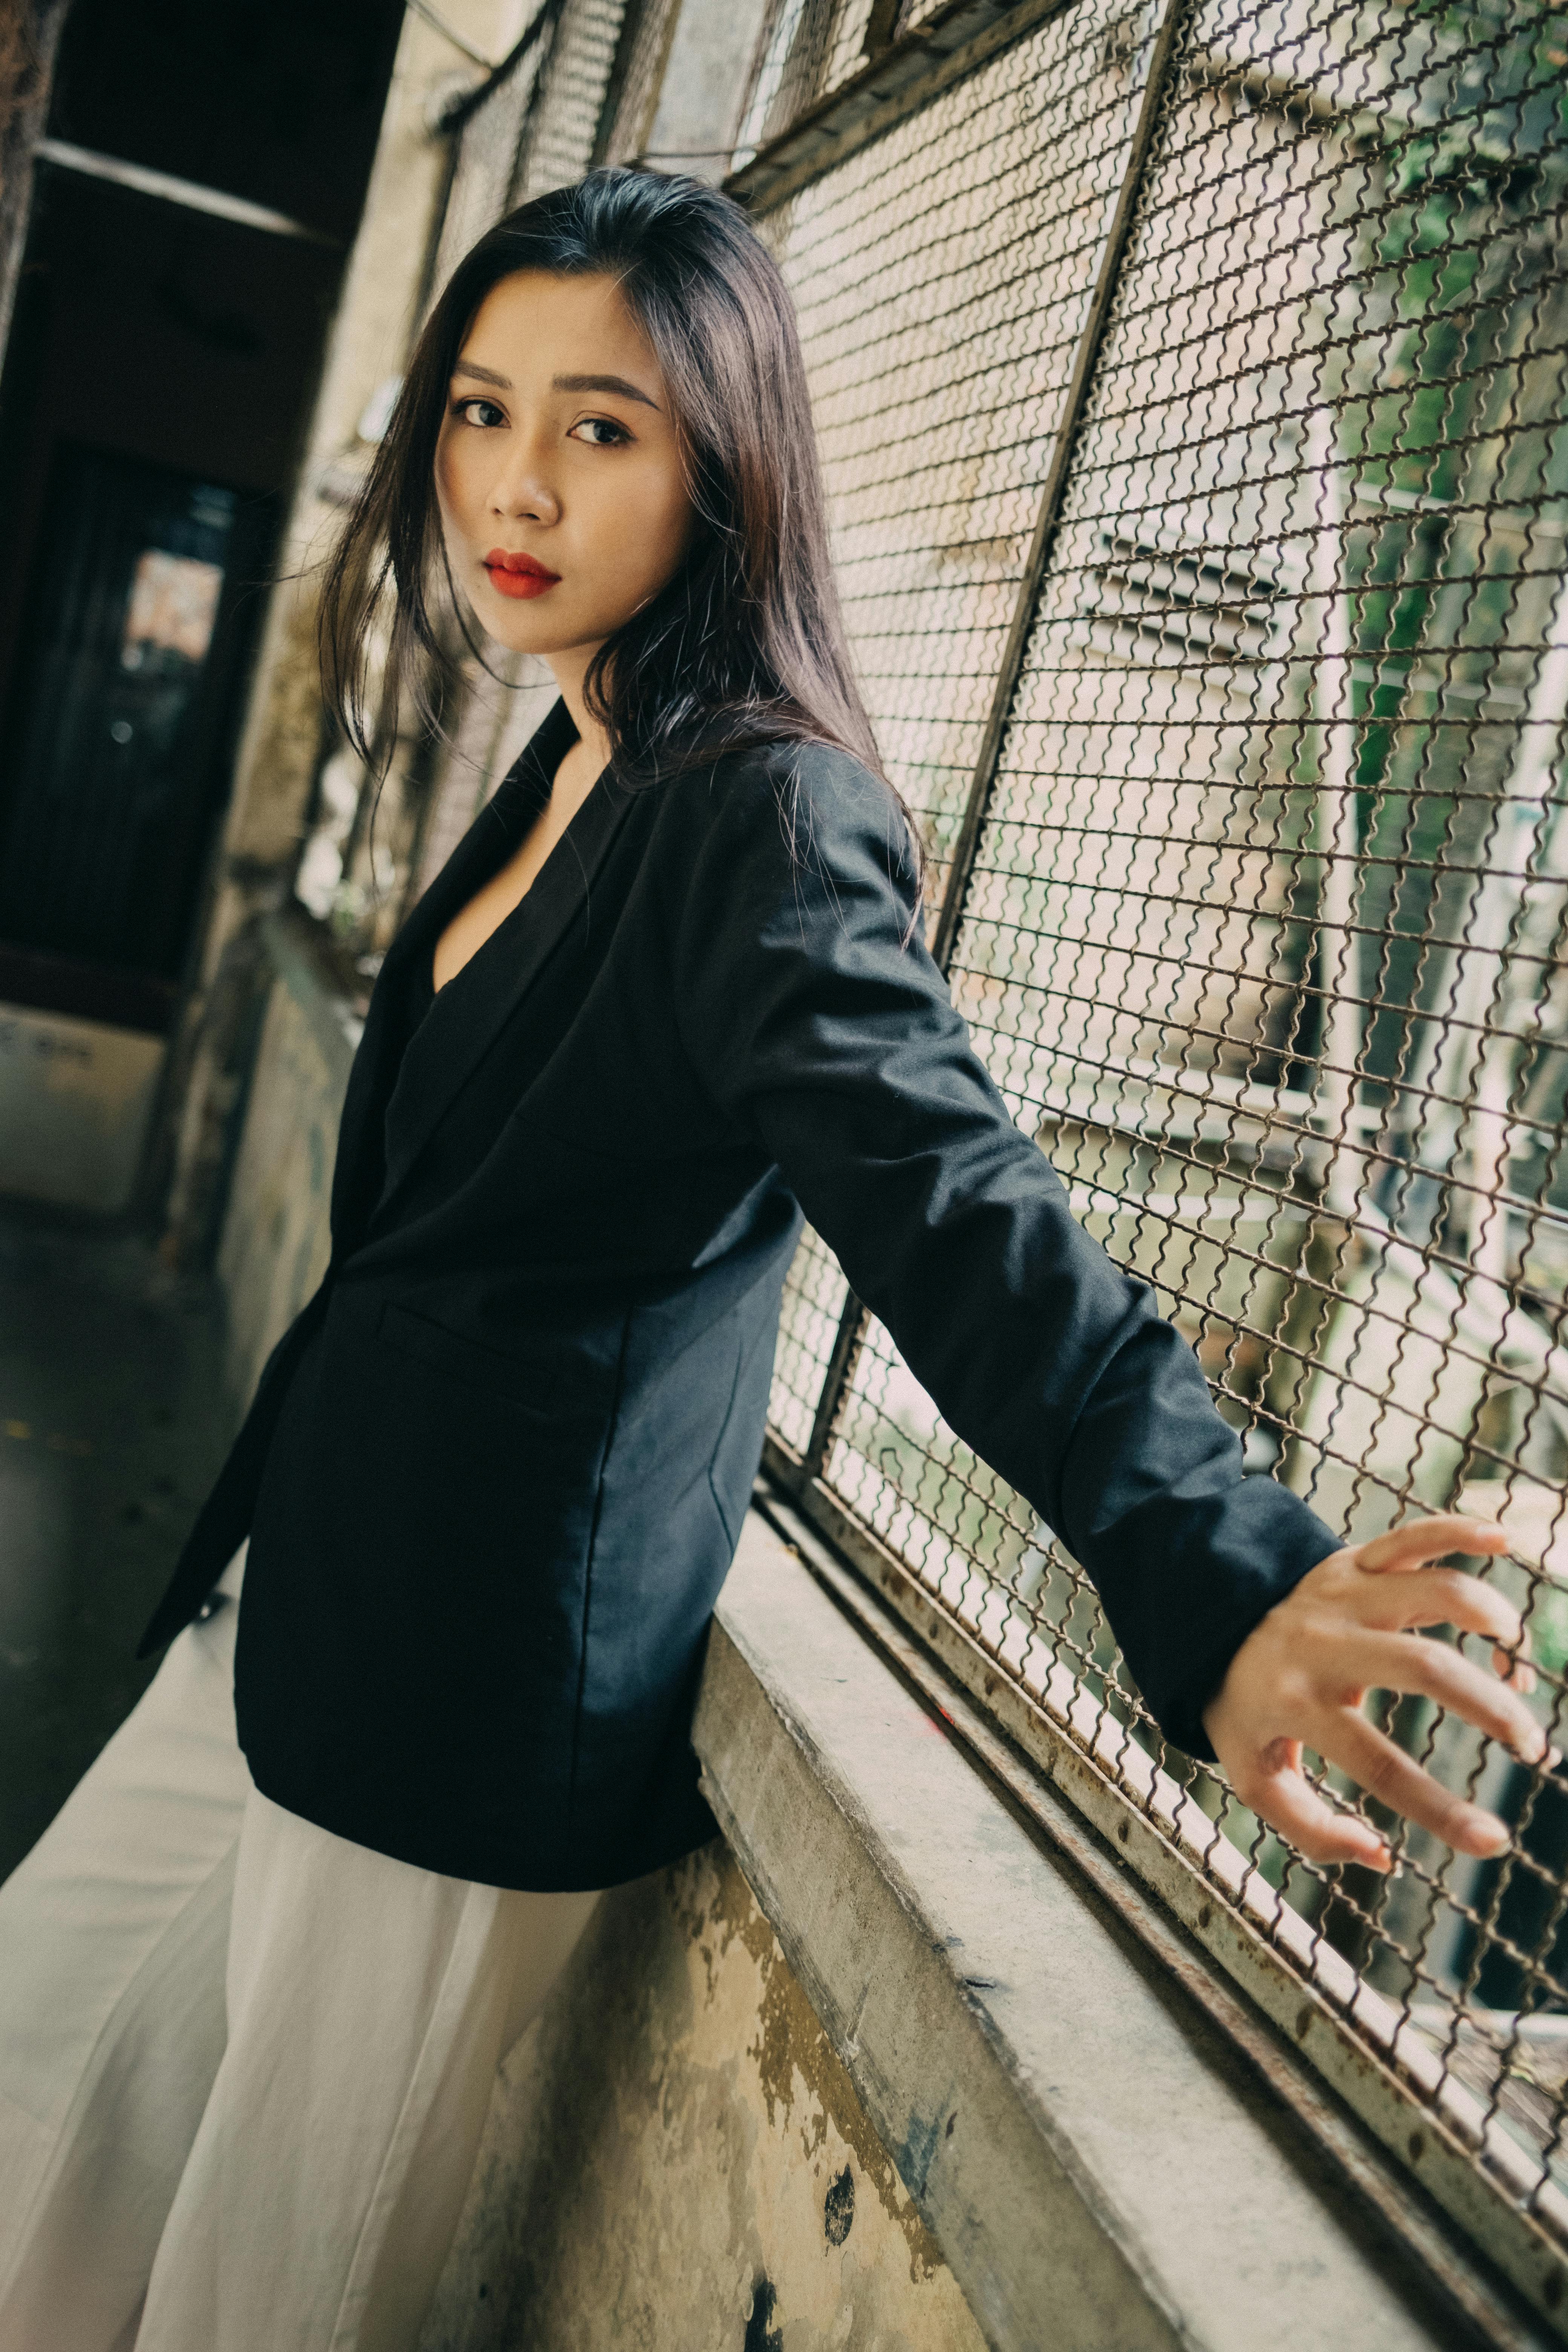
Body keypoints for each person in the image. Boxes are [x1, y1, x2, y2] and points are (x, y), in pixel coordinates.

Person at [0, 167, 1543, 2352]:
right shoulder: (578, 739)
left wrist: (1222, 1577)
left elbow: (959, 1206)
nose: (512, 481)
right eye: (479, 407)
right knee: (31, 2099)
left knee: (256, 2295)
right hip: (290, 1596)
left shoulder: (767, 817)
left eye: (602, 426)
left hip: (458, 1700)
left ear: (726, 462)